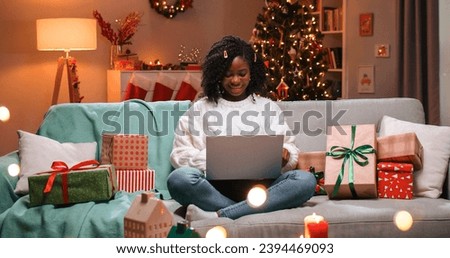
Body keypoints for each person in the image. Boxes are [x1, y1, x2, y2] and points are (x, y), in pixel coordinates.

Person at [167, 35, 316, 221]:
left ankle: (221, 214)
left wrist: (285, 155)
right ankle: (243, 211)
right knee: (178, 179)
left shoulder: (267, 107)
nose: (235, 80)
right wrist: (214, 159)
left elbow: (291, 149)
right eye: (228, 74)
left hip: (263, 188)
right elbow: (178, 154)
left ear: (252, 73)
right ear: (217, 74)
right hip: (215, 189)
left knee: (306, 181)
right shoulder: (200, 109)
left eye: (242, 73)